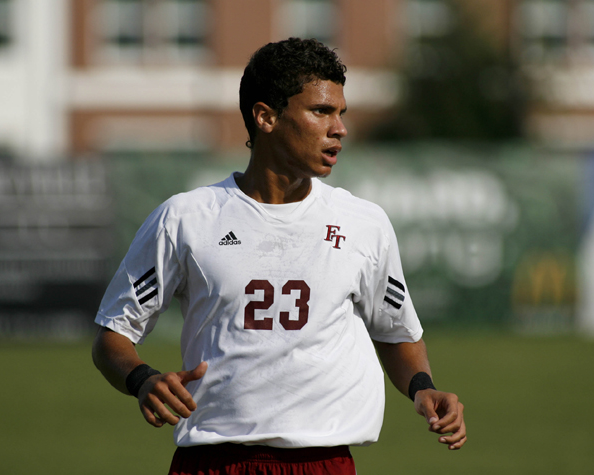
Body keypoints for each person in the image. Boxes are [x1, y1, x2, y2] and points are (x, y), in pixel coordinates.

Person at [92, 37, 466, 474]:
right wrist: (142, 380)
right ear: (266, 117)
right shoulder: (185, 218)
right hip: (213, 461)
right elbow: (112, 336)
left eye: (341, 113)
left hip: (324, 462)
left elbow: (395, 332)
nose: (339, 129)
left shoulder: (364, 222)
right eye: (321, 111)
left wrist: (422, 387)